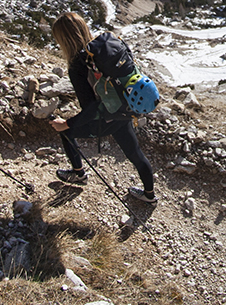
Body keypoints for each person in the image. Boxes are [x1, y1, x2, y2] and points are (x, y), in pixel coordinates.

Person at [49, 12, 157, 204]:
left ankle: (78, 174)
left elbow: (90, 109)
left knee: (66, 132)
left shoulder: (77, 66)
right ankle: (149, 195)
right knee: (135, 154)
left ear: (64, 40)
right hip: (124, 111)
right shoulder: (104, 49)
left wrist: (66, 123)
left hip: (106, 117)